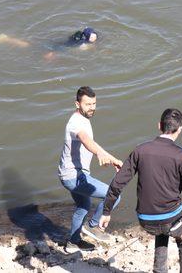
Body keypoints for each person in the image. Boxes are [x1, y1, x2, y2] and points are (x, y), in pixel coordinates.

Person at [99, 109, 182, 273]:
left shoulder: (140, 150)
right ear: (180, 129)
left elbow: (117, 182)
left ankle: (159, 270)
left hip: (146, 220)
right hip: (171, 218)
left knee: (162, 233)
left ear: (159, 125)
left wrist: (106, 211)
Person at [58, 86, 123, 250]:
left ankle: (73, 243)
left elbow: (93, 144)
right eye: (87, 104)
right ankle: (93, 226)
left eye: (94, 103)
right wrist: (97, 153)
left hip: (69, 175)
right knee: (113, 195)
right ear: (77, 104)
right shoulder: (75, 123)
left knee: (83, 207)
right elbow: (85, 139)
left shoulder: (83, 120)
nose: (92, 107)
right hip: (75, 176)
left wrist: (111, 158)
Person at [0, 27, 98, 60]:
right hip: (57, 48)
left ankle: (6, 38)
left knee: (30, 45)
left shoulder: (78, 36)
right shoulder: (83, 45)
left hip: (56, 44)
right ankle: (5, 38)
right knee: (30, 47)